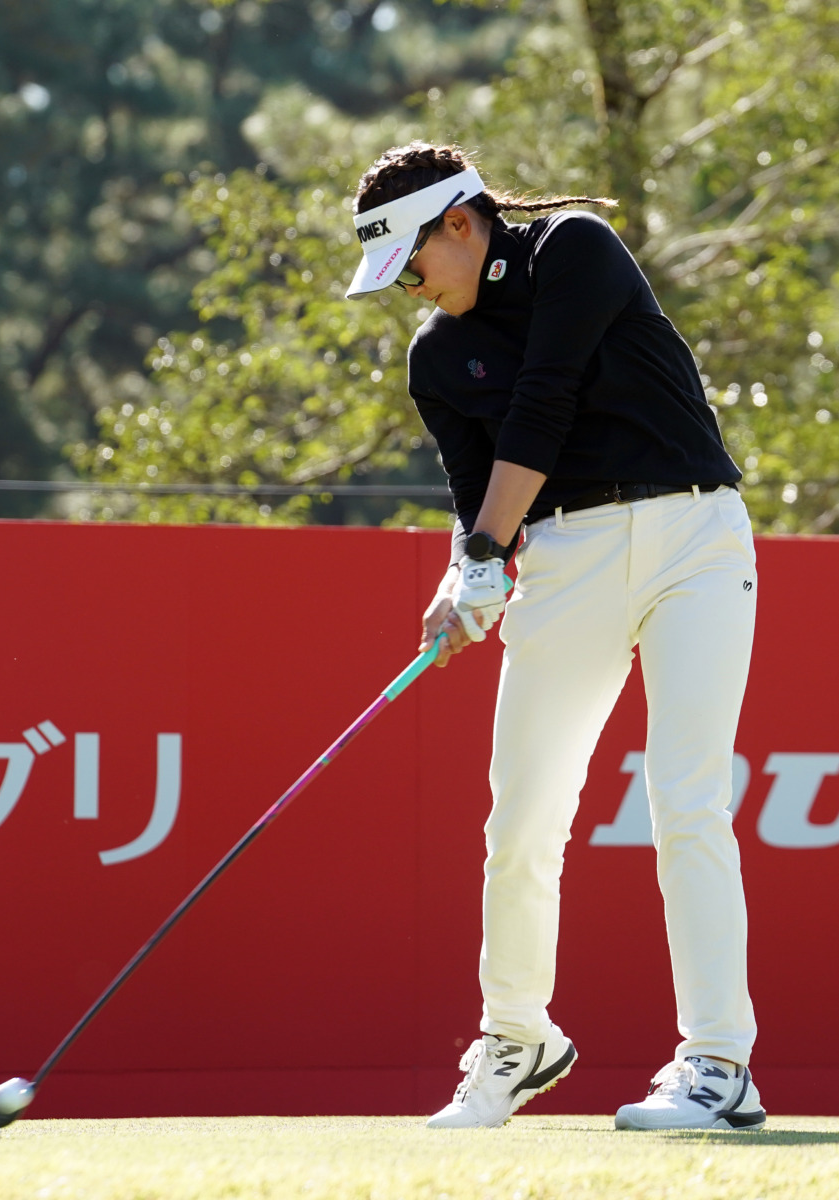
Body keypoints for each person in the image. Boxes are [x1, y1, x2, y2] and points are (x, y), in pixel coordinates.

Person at [346, 142, 764, 1132]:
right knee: (523, 818)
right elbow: (475, 495)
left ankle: (717, 1062)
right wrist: (470, 575)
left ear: (460, 223)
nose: (409, 289)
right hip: (568, 557)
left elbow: (546, 401)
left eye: (411, 265)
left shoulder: (573, 247)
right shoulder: (435, 358)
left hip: (694, 536)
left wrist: (486, 551)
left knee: (687, 802)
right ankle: (516, 1037)